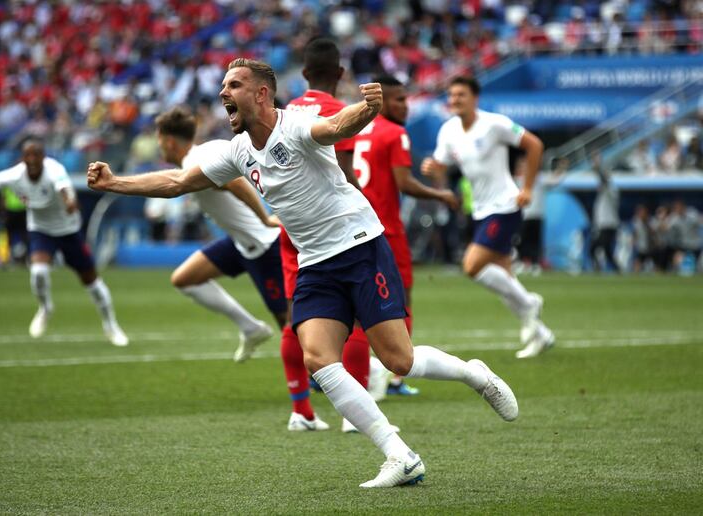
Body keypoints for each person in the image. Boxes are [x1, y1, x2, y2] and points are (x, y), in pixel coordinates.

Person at [87, 58, 519, 488]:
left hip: (359, 246)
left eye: (234, 84)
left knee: (397, 360)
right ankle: (399, 455)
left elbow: (335, 127)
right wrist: (115, 182)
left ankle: (473, 373)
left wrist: (367, 109)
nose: (223, 93)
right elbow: (178, 183)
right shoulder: (236, 150)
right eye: (222, 85)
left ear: (261, 94)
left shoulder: (295, 124)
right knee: (317, 358)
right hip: (314, 262)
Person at [0, 138, 129, 346]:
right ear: (22, 158)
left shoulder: (54, 170)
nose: (32, 159)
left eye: (36, 154)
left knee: (92, 282)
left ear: (43, 157)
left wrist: (70, 203)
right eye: (28, 155)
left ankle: (111, 325)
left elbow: (65, 190)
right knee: (38, 272)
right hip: (41, 230)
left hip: (68, 230)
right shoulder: (15, 175)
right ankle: (45, 308)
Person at [421, 76, 554, 359]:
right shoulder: (448, 131)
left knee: (472, 266)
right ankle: (541, 334)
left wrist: (527, 187)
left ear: (475, 98)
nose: (455, 99)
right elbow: (442, 168)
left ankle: (530, 305)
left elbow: (535, 145)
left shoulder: (495, 124)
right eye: (452, 95)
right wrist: (432, 169)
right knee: (505, 279)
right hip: (479, 210)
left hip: (505, 205)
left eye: (461, 95)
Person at [284, 37, 379, 432]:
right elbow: (344, 170)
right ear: (340, 74)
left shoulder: (286, 110)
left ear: (304, 74)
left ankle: (301, 410)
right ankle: (352, 414)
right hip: (333, 227)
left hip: (292, 226)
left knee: (298, 316)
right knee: (356, 317)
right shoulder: (339, 111)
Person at [353, 74, 458, 396]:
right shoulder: (395, 133)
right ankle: (394, 376)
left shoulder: (357, 130)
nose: (404, 106)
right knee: (401, 300)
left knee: (356, 303)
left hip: (353, 227)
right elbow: (405, 184)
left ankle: (348, 369)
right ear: (381, 101)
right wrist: (441, 195)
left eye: (405, 99)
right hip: (386, 230)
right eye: (398, 99)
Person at [153, 107, 283, 363]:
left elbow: (234, 183)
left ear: (169, 141)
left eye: (160, 142)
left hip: (264, 244)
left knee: (292, 324)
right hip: (240, 243)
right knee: (185, 278)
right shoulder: (201, 154)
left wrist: (264, 218)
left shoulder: (194, 162)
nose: (160, 148)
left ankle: (365, 367)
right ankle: (251, 328)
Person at [590, 153, 621, 273]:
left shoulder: (610, 189)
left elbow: (603, 179)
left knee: (593, 248)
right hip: (605, 225)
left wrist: (598, 166)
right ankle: (617, 270)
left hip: (608, 225)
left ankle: (597, 269)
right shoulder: (604, 192)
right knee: (607, 252)